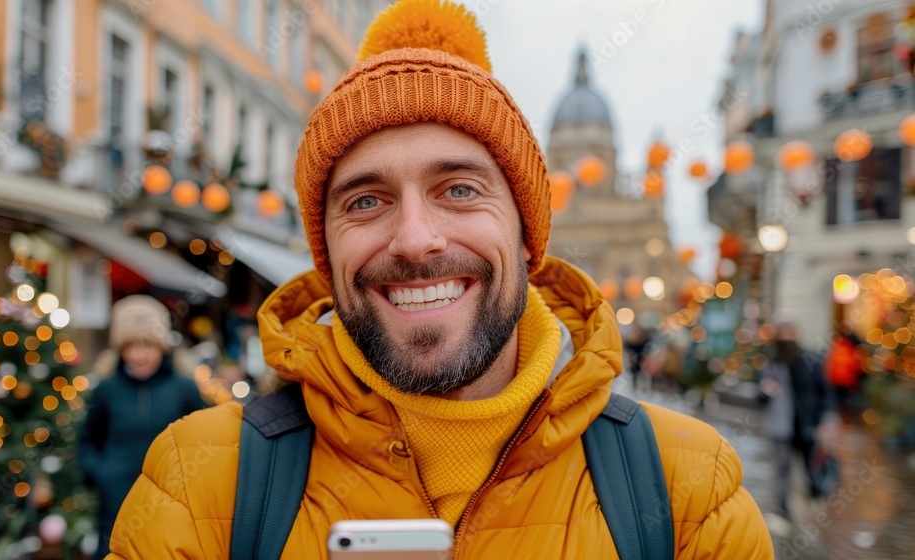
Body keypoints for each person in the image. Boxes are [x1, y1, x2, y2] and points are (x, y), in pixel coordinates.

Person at [107, 1, 772, 558]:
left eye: (459, 189)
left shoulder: (686, 492)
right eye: (365, 200)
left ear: (526, 231)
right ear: (325, 247)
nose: (416, 239)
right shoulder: (199, 486)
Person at [78, 295, 204, 560]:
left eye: (148, 345)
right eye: (130, 346)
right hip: (115, 502)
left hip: (170, 503)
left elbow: (202, 440)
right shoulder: (107, 388)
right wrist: (100, 474)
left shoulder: (184, 389)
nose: (139, 355)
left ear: (163, 347)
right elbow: (88, 438)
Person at [761, 322, 836, 522]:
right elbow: (761, 396)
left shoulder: (810, 361)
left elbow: (825, 392)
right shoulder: (773, 363)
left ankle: (815, 501)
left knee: (810, 467)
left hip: (806, 425)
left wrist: (826, 420)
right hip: (781, 427)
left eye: (789, 334)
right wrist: (765, 390)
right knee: (782, 469)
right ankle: (782, 510)